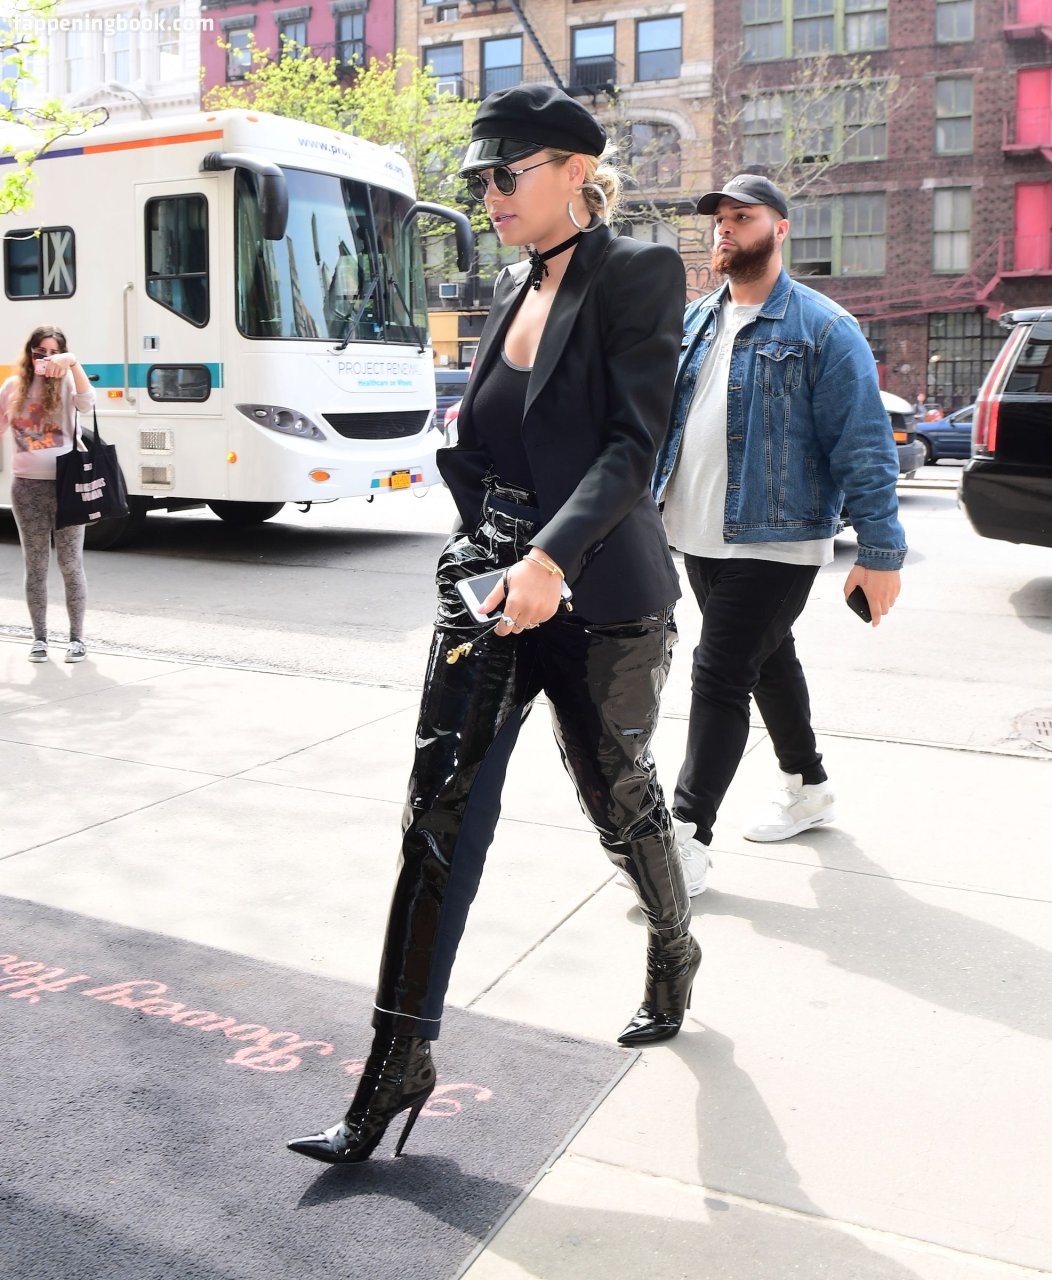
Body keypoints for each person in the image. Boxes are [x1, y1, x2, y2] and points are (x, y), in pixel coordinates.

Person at [287, 84, 699, 1166]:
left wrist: (549, 558)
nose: (488, 195)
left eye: (505, 174)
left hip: (598, 594)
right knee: (438, 813)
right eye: (479, 180)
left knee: (616, 795)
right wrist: (484, 548)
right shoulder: (512, 286)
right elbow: (486, 447)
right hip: (492, 586)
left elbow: (631, 445)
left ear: (575, 170)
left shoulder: (639, 274)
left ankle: (671, 946)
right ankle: (397, 1057)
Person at [651, 173, 906, 884]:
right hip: (699, 532)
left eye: (744, 216)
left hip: (778, 537)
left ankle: (686, 836)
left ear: (781, 228)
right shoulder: (697, 320)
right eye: (720, 219)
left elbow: (863, 443)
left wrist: (880, 551)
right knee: (767, 659)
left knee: (719, 672)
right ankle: (807, 784)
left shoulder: (824, 327)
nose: (726, 228)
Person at [0, 326, 95, 663]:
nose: (46, 358)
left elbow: (88, 403)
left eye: (53, 352)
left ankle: (77, 639)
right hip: (26, 488)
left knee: (70, 564)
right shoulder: (13, 386)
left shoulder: (67, 383)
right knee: (36, 565)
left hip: (67, 487)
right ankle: (39, 639)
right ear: (30, 353)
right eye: (40, 351)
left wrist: (73, 363)